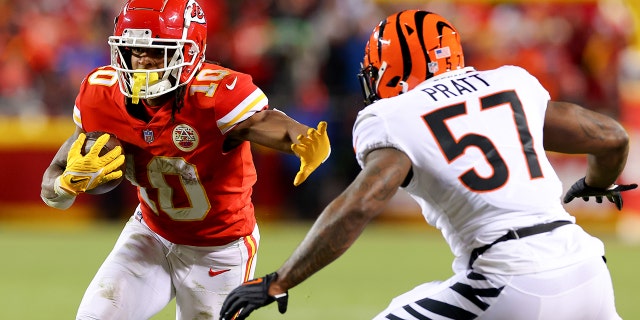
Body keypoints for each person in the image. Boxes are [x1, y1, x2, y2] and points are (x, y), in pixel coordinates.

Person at [220, 9, 637, 320]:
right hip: (588, 270)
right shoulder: (511, 81)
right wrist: (596, 183)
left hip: (506, 279)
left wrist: (280, 280)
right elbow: (611, 137)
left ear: (389, 69)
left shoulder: (393, 115)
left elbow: (360, 205)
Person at [39, 0, 330, 319]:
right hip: (150, 234)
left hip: (221, 251)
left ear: (189, 53)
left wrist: (303, 140)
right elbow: (51, 183)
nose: (142, 62)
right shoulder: (101, 94)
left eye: (156, 51)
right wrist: (66, 187)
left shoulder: (215, 95)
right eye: (134, 50)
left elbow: (264, 121)